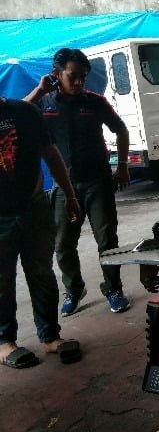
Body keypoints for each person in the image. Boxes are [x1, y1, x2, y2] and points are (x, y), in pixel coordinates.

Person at [25, 48, 131, 316]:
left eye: (83, 77)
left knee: (107, 241)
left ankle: (113, 289)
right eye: (73, 76)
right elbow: (17, 114)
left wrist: (122, 166)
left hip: (98, 183)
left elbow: (120, 129)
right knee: (63, 245)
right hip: (64, 187)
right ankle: (74, 289)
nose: (79, 82)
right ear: (57, 74)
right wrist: (39, 90)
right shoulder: (44, 104)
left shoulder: (95, 102)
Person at [0, 96, 82, 368]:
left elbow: (51, 154)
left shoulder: (25, 112)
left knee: (42, 274)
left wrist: (69, 195)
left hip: (34, 208)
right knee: (2, 281)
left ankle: (50, 336)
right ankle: (5, 342)